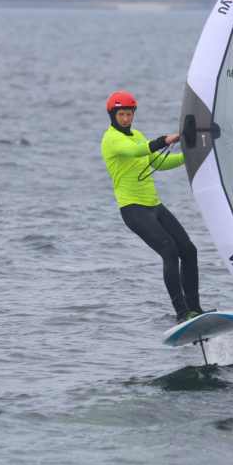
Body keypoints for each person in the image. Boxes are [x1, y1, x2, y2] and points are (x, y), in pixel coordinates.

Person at [100, 89, 206, 323]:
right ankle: (182, 313)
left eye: (129, 114)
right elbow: (137, 150)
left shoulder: (137, 134)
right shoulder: (111, 139)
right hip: (133, 209)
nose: (126, 119)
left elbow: (157, 163)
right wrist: (164, 140)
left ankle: (195, 309)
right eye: (122, 115)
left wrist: (190, 157)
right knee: (169, 250)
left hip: (154, 205)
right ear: (112, 116)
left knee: (189, 250)